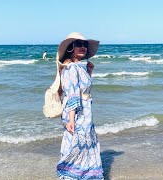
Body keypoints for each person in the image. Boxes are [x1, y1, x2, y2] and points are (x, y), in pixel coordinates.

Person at [55, 32, 104, 179]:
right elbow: (72, 94)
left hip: (86, 112)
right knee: (76, 145)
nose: (82, 47)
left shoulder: (79, 67)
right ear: (71, 48)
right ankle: (71, 175)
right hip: (77, 114)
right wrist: (71, 120)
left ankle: (84, 175)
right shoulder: (70, 68)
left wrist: (89, 72)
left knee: (86, 144)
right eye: (78, 45)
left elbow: (84, 90)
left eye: (84, 45)